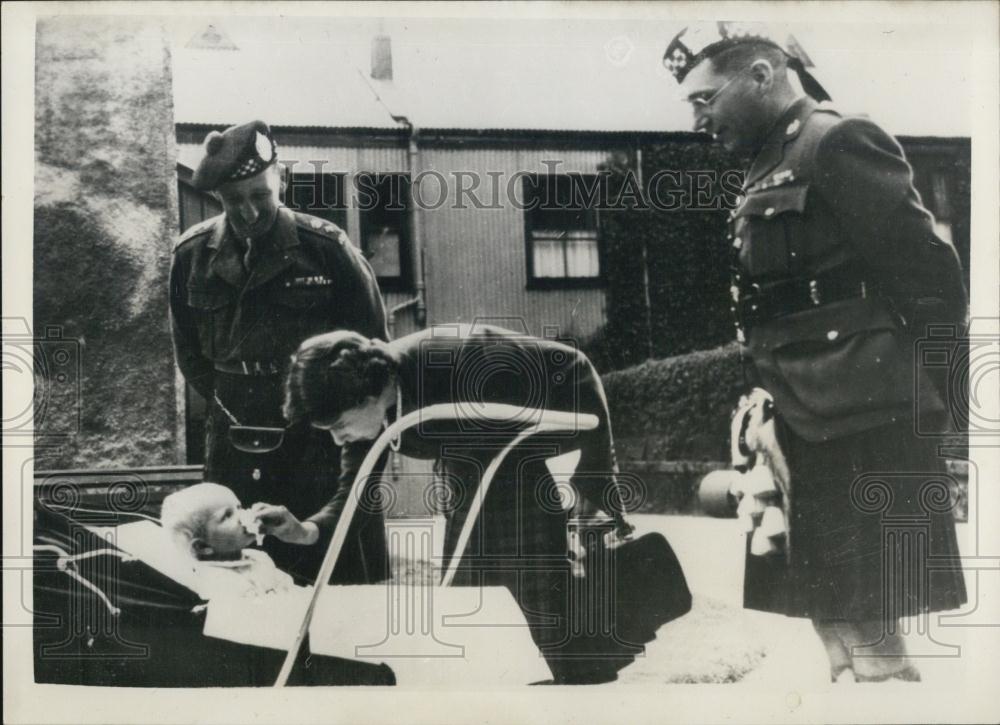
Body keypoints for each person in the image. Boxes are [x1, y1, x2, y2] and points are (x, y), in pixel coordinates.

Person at [665, 22, 968, 682]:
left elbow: (931, 276)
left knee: (873, 631)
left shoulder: (836, 140)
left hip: (864, 411)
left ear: (763, 75)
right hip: (801, 411)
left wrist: (932, 397)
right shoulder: (764, 164)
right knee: (831, 623)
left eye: (704, 99)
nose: (697, 120)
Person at [259, 323, 639, 683]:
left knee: (542, 621)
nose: (339, 440)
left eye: (339, 426)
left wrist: (595, 483)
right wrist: (305, 531)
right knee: (466, 623)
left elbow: (574, 366)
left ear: (368, 394)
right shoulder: (367, 416)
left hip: (520, 475)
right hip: (466, 483)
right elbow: (356, 494)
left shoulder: (458, 354)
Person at [169, 120, 390, 585]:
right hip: (235, 431)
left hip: (317, 433)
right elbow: (188, 350)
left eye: (260, 196)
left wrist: (328, 409)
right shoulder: (192, 256)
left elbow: (374, 351)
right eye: (234, 201)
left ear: (280, 182)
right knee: (238, 567)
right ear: (218, 198)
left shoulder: (326, 249)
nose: (248, 212)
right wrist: (231, 400)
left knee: (332, 566)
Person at [159, 482, 295, 599]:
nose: (242, 515)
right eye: (227, 515)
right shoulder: (217, 581)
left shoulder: (258, 557)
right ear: (203, 546)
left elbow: (287, 586)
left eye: (239, 507)